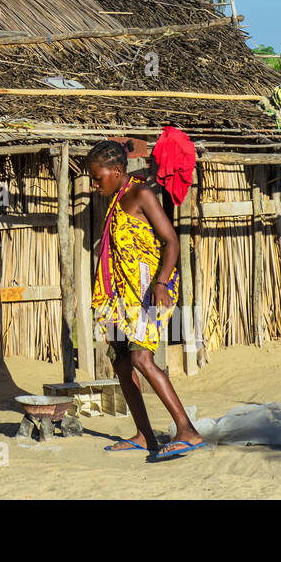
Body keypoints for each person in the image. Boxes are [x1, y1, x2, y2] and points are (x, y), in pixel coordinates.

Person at [86, 139, 204, 459]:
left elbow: (171, 242)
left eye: (98, 178)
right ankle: (145, 435)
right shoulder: (116, 199)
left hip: (148, 290)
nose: (95, 185)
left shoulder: (142, 195)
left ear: (118, 171)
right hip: (120, 296)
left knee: (141, 359)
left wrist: (162, 283)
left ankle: (187, 430)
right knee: (122, 363)